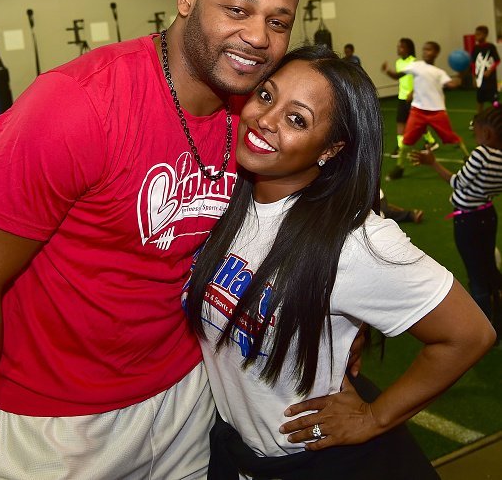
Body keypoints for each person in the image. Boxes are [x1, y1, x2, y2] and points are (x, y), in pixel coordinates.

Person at [0, 0, 364, 480]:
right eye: (236, 9)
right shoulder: (78, 106)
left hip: (190, 400)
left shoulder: (259, 118)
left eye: (277, 21)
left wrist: (343, 332)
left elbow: (307, 217)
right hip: (58, 425)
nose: (257, 37)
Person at [185, 45, 495, 479]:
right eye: (267, 96)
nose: (265, 120)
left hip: (314, 463)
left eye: (297, 120)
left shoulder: (355, 241)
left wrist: (375, 418)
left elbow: (468, 334)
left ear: (330, 150)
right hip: (240, 454)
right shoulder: (226, 197)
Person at [411, 105, 502, 340]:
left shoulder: (482, 153)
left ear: (489, 135)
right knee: (489, 268)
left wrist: (432, 162)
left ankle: (486, 330)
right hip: (488, 214)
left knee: (476, 273)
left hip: (468, 220)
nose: (475, 136)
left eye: (478, 132)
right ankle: (498, 320)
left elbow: (457, 182)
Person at [384, 41, 469, 181]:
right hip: (418, 111)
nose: (425, 52)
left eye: (429, 49)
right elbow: (397, 76)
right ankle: (399, 168)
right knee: (406, 141)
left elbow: (452, 84)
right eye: (424, 49)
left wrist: (461, 75)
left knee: (451, 138)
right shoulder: (416, 66)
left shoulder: (439, 72)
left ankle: (467, 158)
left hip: (437, 111)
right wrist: (387, 70)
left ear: (436, 53)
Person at [381, 38, 436, 158]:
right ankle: (401, 147)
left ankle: (431, 141)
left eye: (401, 47)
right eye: (398, 46)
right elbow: (398, 77)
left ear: (408, 49)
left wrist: (413, 92)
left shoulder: (414, 62)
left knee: (417, 123)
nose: (398, 49)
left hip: (414, 97)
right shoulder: (398, 62)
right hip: (402, 97)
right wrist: (387, 71)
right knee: (400, 122)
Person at [471, 25, 500, 114]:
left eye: (479, 34)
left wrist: (490, 70)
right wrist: (474, 78)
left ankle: (498, 117)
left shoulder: (490, 46)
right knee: (480, 100)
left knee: (494, 101)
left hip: (490, 80)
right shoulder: (475, 48)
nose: (476, 36)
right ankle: (478, 120)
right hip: (480, 79)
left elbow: (497, 60)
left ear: (485, 35)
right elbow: (473, 64)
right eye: (476, 34)